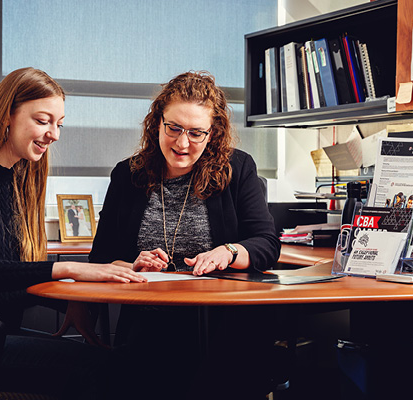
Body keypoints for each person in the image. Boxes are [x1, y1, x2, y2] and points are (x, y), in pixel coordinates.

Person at [0, 67, 146, 400]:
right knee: (98, 367)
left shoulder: (15, 179)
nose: (54, 134)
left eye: (59, 124)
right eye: (43, 120)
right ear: (8, 114)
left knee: (120, 359)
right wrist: (66, 270)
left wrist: (70, 298)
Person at [89, 71, 281, 399]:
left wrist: (229, 252)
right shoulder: (128, 175)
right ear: (157, 122)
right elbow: (102, 257)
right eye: (173, 128)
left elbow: (266, 243)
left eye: (196, 133)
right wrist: (133, 263)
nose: (181, 143)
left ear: (213, 133)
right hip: (147, 324)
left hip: (219, 326)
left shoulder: (238, 169)